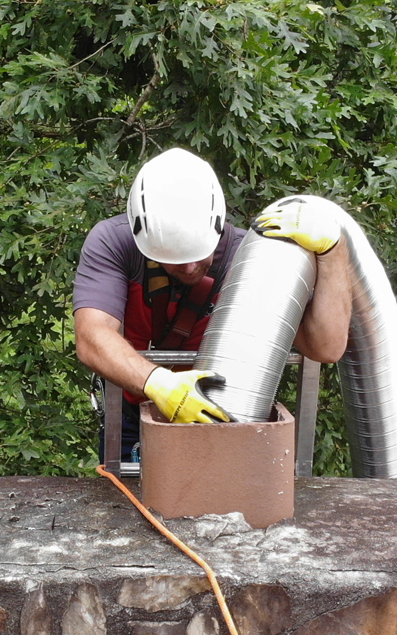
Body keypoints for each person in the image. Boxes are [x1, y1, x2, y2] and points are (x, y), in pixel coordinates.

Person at [72, 148, 353, 459]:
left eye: (198, 254)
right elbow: (92, 335)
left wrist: (333, 252)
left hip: (225, 417)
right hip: (134, 413)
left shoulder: (248, 259)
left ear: (217, 225)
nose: (190, 267)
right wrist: (159, 384)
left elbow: (326, 347)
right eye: (174, 258)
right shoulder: (116, 243)